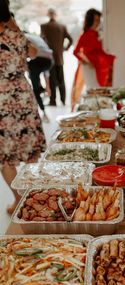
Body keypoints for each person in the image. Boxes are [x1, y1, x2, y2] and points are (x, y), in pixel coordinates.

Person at [0, 0, 46, 214]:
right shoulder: (16, 36)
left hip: (2, 99)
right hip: (22, 94)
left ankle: (19, 199)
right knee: (29, 149)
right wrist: (16, 28)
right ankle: (33, 196)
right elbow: (34, 52)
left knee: (4, 155)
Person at [72, 8, 115, 110]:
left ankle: (99, 109)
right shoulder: (85, 35)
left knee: (99, 89)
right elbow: (75, 52)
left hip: (97, 66)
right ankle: (93, 110)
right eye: (95, 20)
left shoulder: (97, 34)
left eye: (99, 19)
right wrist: (85, 62)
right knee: (93, 89)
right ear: (90, 20)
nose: (98, 22)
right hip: (88, 67)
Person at [41, 8, 73, 106]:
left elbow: (42, 40)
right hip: (59, 56)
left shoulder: (44, 26)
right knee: (61, 79)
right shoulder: (61, 26)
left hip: (50, 57)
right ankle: (63, 100)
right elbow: (70, 40)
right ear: (56, 15)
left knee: (52, 80)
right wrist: (64, 48)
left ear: (48, 15)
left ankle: (53, 101)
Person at [25, 32, 53, 122]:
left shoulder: (22, 37)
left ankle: (43, 112)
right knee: (31, 72)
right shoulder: (36, 37)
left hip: (38, 60)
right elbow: (46, 69)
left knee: (35, 87)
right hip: (49, 61)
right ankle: (41, 88)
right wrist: (48, 86)